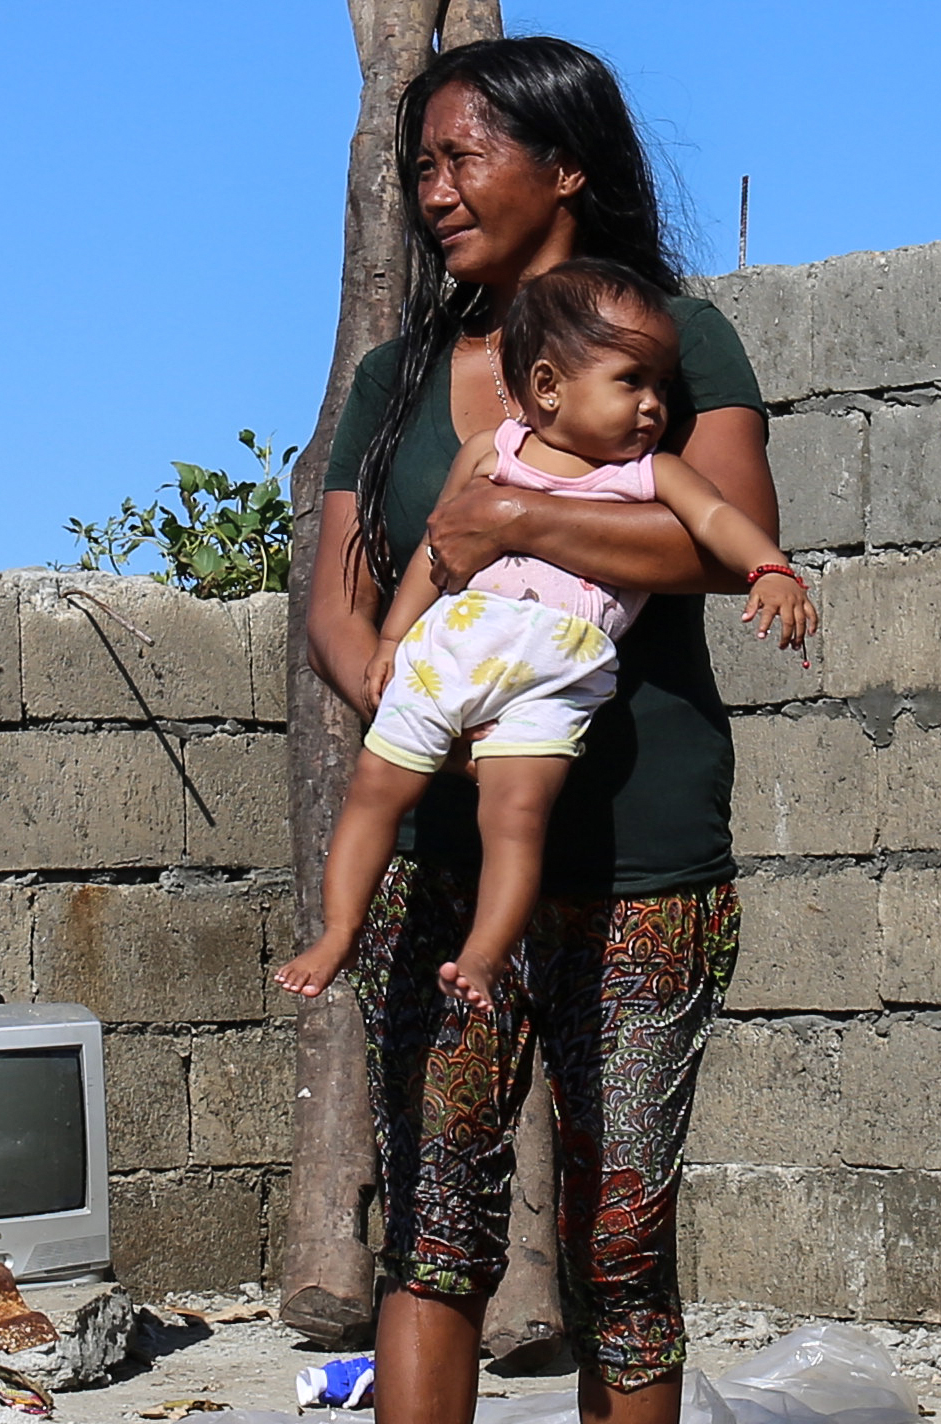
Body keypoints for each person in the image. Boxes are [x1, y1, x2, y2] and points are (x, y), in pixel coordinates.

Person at [300, 37, 779, 1424]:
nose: (434, 190)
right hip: (443, 863)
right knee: (433, 1233)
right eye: (420, 162)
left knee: (622, 1234)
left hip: (645, 858)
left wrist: (505, 537)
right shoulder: (393, 383)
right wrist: (408, 702)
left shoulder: (672, 340)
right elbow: (339, 595)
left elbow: (708, 543)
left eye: (464, 154)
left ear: (561, 164)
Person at [276, 255, 812, 1016]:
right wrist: (395, 638)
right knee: (374, 790)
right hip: (453, 652)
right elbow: (439, 552)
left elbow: (724, 522)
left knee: (515, 814)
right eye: (632, 382)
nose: (654, 405)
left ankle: (485, 954)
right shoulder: (492, 453)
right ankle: (338, 931)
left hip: (553, 681)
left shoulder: (650, 476)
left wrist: (770, 571)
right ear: (551, 386)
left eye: (661, 385)